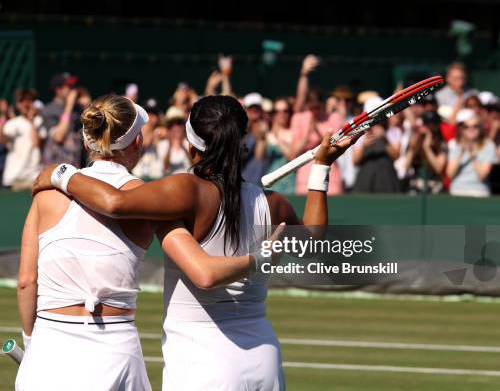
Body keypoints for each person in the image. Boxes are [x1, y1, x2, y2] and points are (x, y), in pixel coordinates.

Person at [33, 95, 358, 391]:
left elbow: (115, 202)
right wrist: (322, 168)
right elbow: (314, 240)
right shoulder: (273, 204)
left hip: (203, 364)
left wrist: (61, 174)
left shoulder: (183, 190)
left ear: (192, 146)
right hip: (264, 360)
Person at [446, 111, 497, 197]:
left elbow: (482, 175)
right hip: (457, 191)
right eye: (466, 127)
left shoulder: (488, 145)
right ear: (462, 129)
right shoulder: (455, 145)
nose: (471, 129)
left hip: (479, 191)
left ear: (480, 128)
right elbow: (450, 174)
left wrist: (472, 153)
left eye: (475, 126)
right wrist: (461, 151)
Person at [1, 89, 42, 190]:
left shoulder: (39, 121)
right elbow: (2, 139)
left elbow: (36, 143)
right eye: (22, 101)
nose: (26, 104)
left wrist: (31, 120)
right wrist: (3, 114)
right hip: (14, 177)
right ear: (17, 104)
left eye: (29, 100)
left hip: (34, 177)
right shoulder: (12, 123)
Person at [41, 72, 83, 167]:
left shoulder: (78, 109)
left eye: (73, 86)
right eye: (69, 86)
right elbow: (58, 137)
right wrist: (69, 106)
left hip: (75, 167)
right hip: (56, 168)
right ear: (58, 90)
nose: (73, 90)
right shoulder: (48, 110)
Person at [263, 98, 295, 194]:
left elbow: (291, 155)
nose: (281, 114)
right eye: (277, 111)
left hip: (290, 184)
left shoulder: (293, 133)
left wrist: (277, 136)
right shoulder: (265, 134)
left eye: (285, 111)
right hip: (271, 183)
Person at [157, 107, 190, 175]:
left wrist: (182, 146)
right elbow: (165, 167)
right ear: (167, 128)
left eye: (179, 123)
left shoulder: (190, 143)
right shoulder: (162, 144)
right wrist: (170, 145)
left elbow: (194, 165)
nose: (175, 127)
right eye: (171, 124)